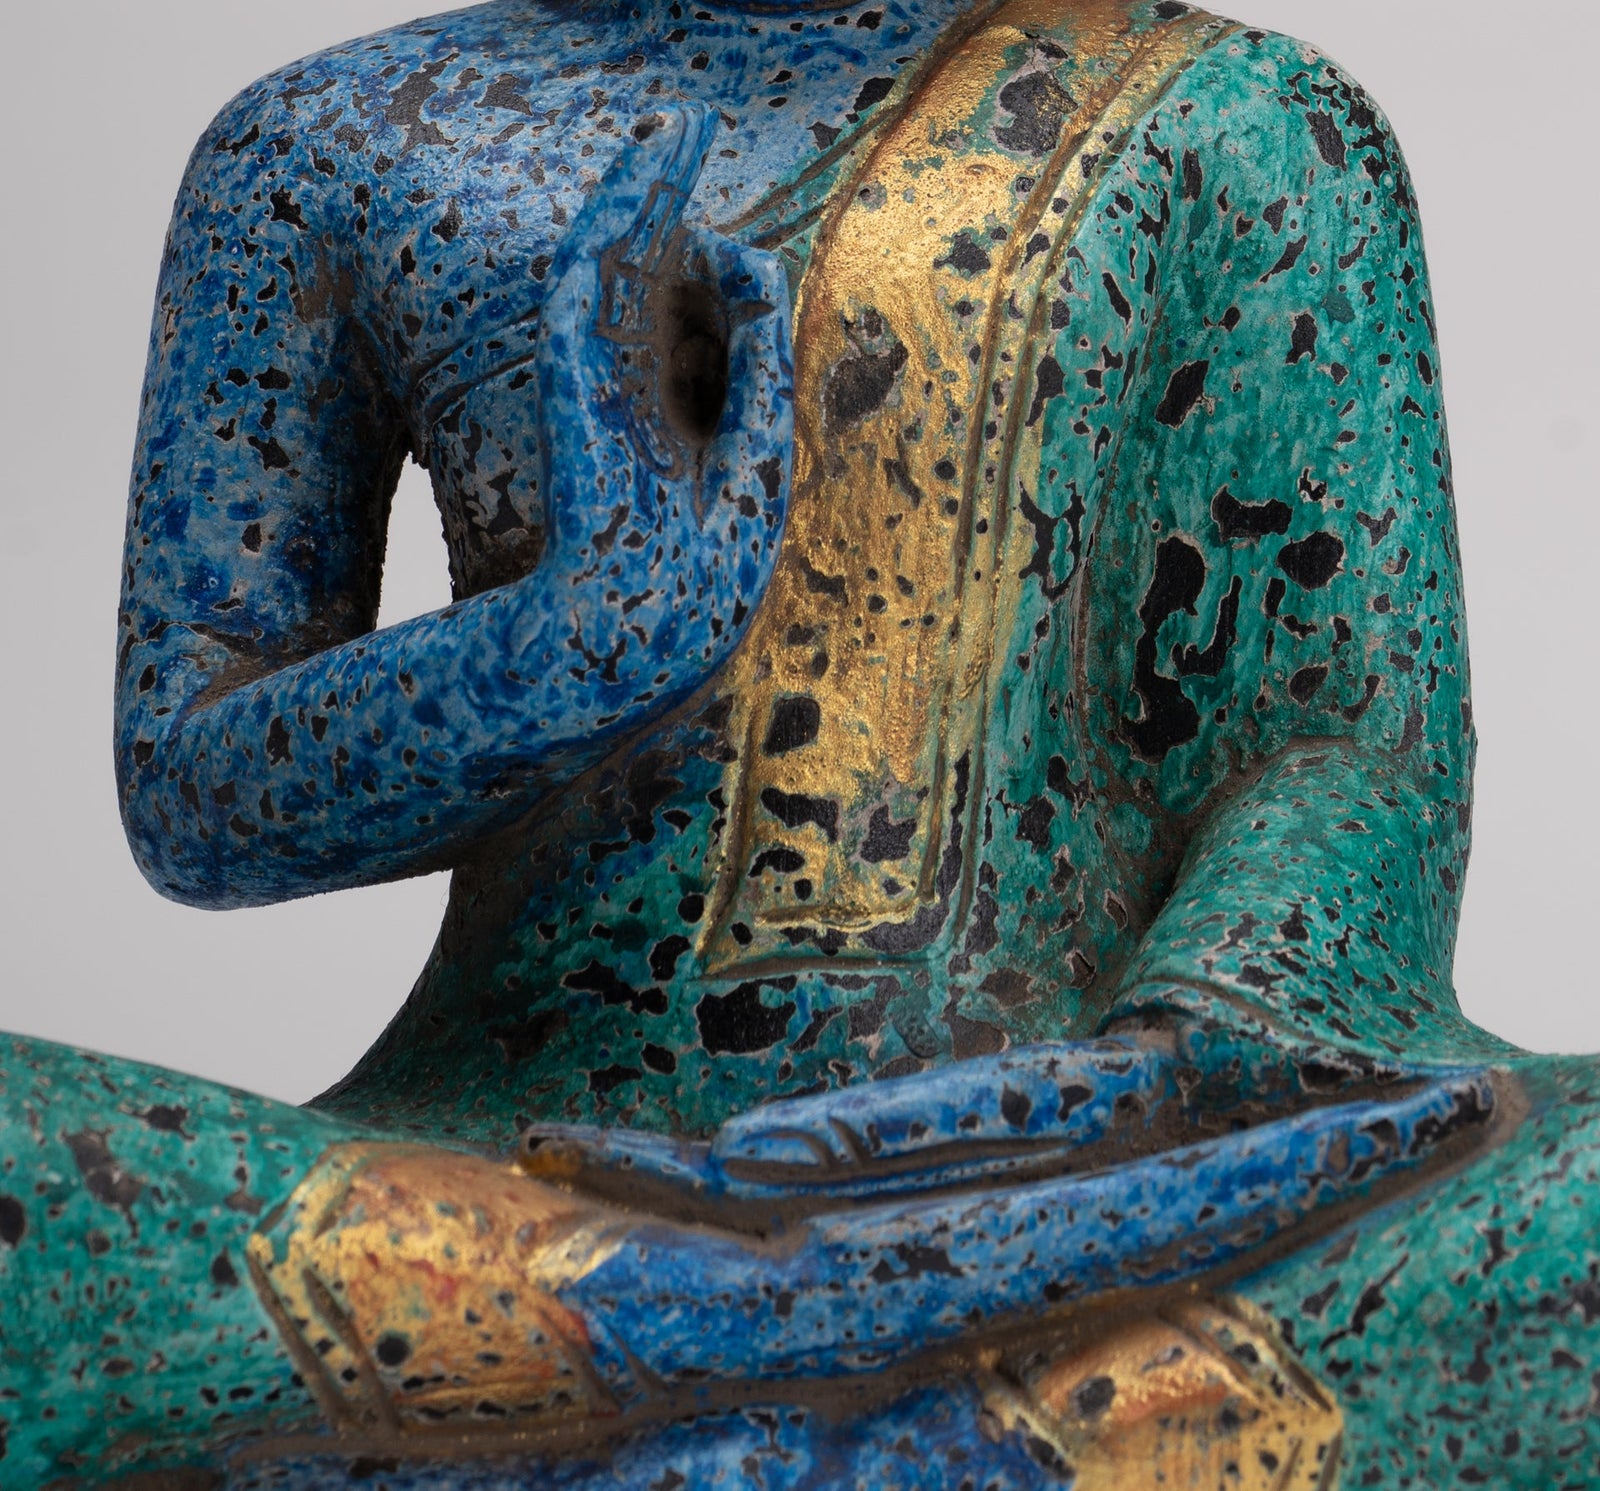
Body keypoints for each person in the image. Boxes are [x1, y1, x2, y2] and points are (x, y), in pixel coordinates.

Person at [3, 1, 1594, 1485]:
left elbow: (1344, 744)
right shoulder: (336, 143)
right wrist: (579, 644)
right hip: (508, 1181)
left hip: (1086, 1168)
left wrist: (1172, 1061)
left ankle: (672, 1389)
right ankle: (873, 1370)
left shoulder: (1241, 122)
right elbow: (194, 792)